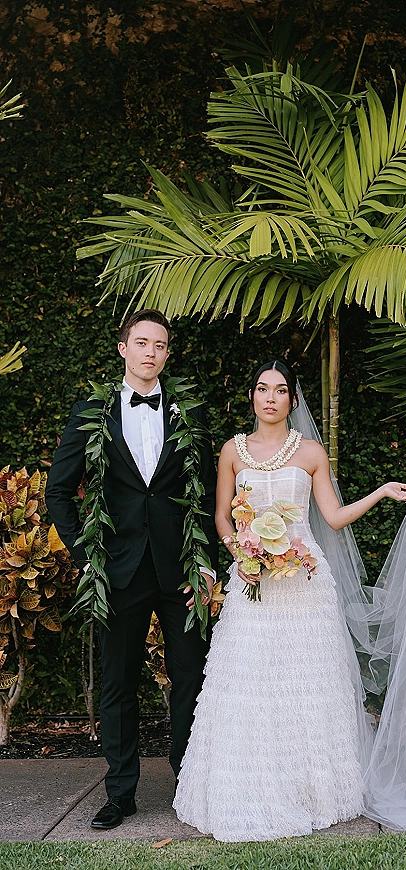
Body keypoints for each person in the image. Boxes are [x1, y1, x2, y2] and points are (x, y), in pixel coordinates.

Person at [173, 359, 406, 841]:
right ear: (251, 396)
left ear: (293, 400)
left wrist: (381, 492)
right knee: (248, 681)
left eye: (280, 390)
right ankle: (245, 786)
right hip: (252, 579)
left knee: (307, 684)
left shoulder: (311, 452)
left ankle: (313, 791)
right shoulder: (231, 451)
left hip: (305, 582)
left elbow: (333, 516)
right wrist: (240, 551)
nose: (269, 398)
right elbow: (221, 514)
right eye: (261, 388)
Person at [46, 309, 218, 830]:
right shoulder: (90, 413)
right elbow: (58, 493)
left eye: (159, 345)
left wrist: (206, 565)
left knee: (191, 678)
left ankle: (190, 785)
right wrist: (87, 558)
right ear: (124, 349)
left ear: (167, 354)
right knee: (118, 684)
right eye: (141, 342)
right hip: (117, 574)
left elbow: (206, 495)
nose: (150, 352)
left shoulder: (189, 414)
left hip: (179, 572)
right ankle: (120, 793)